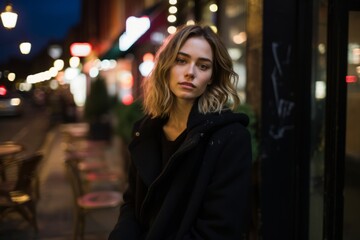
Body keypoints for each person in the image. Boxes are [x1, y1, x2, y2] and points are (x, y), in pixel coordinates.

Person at [109, 24, 252, 240]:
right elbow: (132, 204)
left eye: (203, 66)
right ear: (167, 66)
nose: (190, 72)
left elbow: (219, 230)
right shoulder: (146, 131)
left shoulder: (230, 138)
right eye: (181, 60)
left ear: (212, 76)